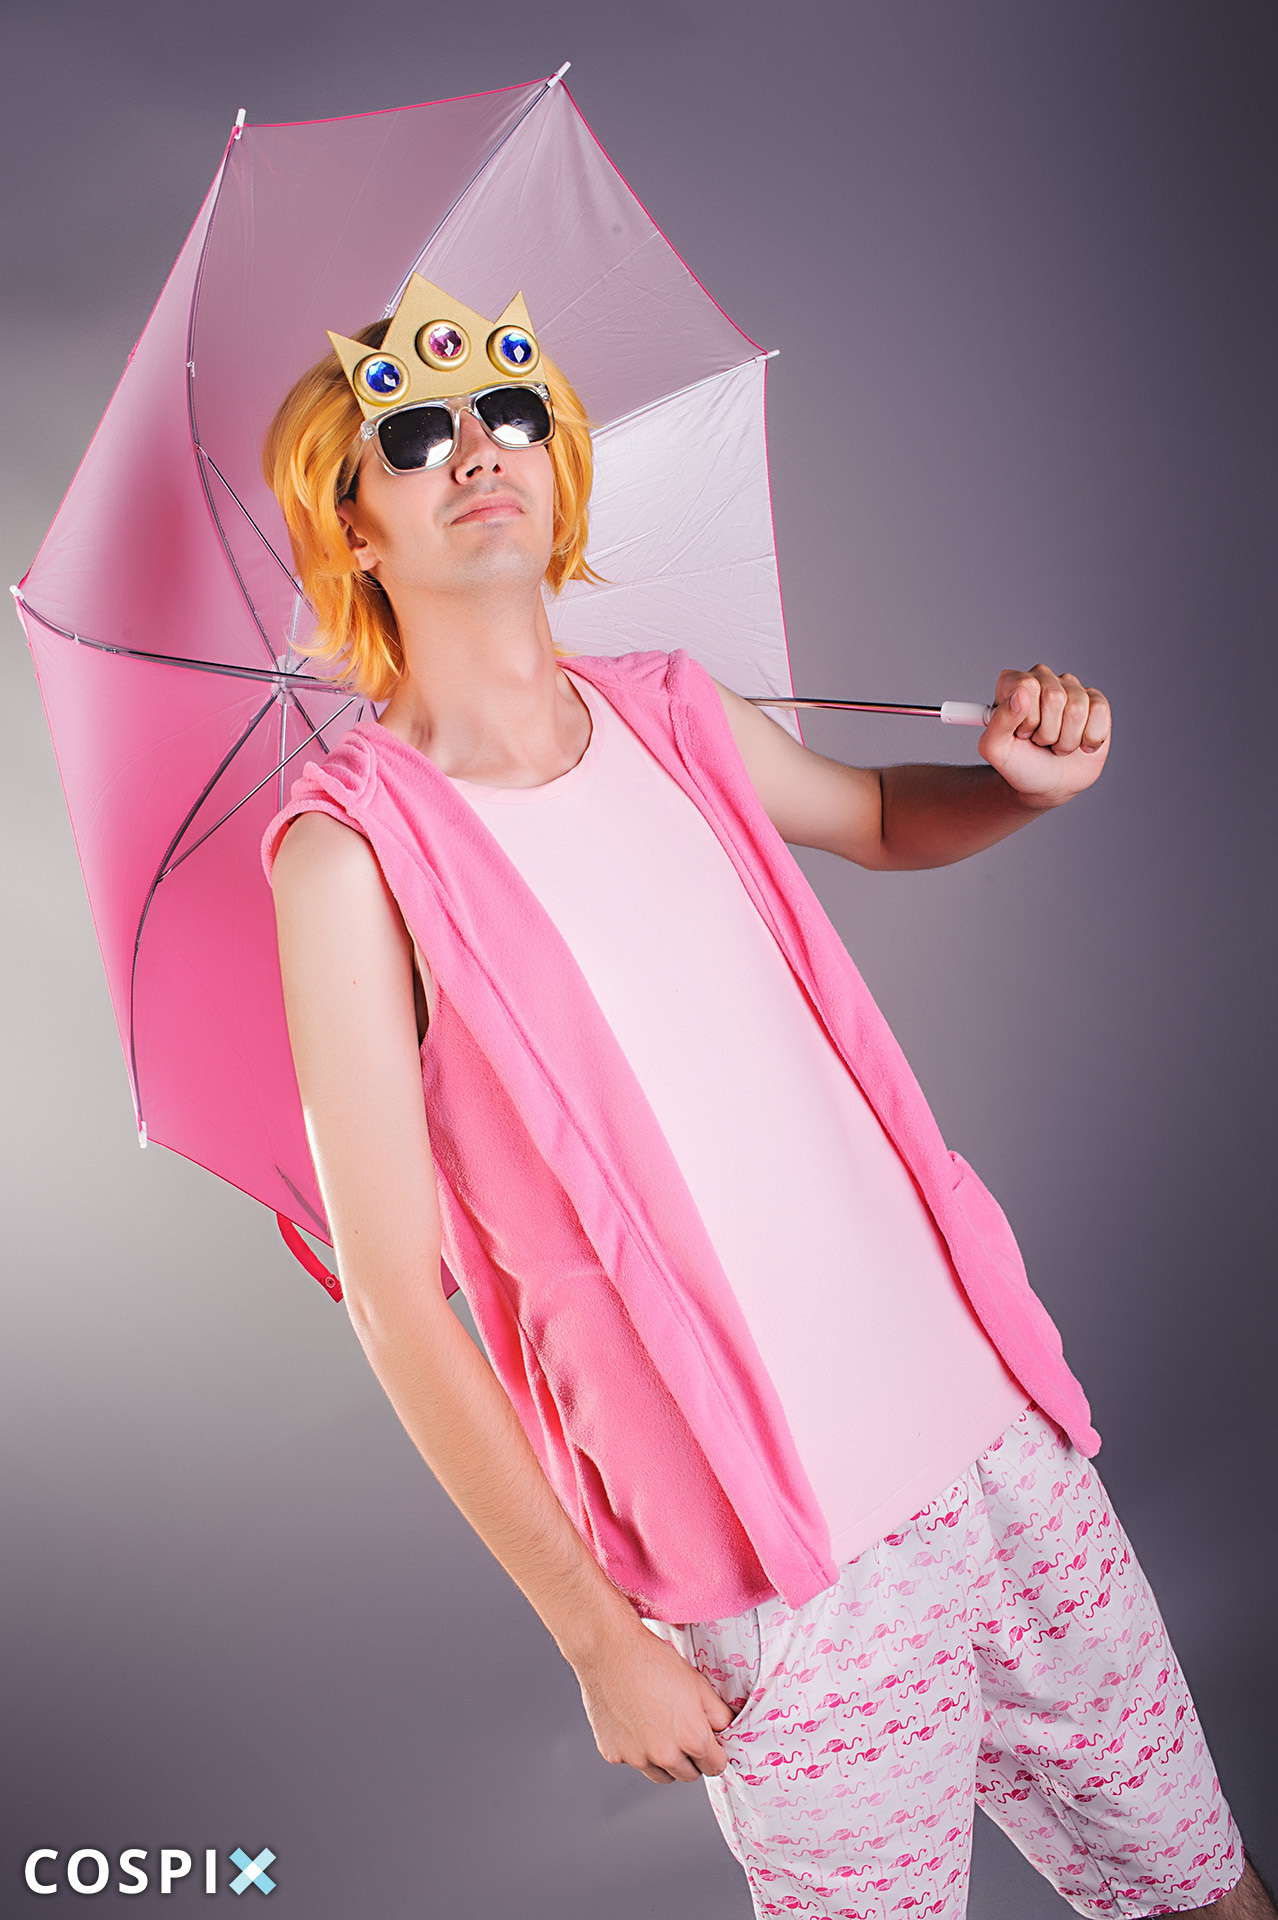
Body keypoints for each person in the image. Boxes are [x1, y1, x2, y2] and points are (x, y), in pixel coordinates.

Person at [259, 278, 1272, 1920]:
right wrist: (596, 1638)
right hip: (784, 1572)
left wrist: (1015, 790)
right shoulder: (350, 853)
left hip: (996, 1448)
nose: (479, 452)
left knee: (1205, 1894)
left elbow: (874, 817)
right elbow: (390, 1297)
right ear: (352, 528)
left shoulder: (669, 708)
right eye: (416, 437)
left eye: (510, 414)